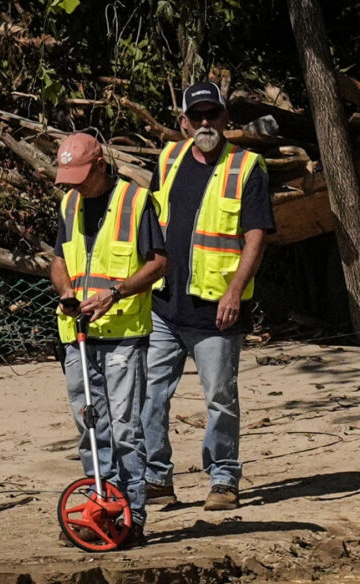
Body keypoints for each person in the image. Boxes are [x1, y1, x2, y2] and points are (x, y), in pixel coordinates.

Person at [143, 84, 277, 512]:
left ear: (225, 118)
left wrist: (235, 291)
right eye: (196, 116)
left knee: (219, 397)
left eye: (212, 115)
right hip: (165, 306)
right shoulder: (168, 159)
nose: (205, 124)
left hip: (217, 310)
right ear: (183, 121)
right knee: (150, 394)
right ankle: (156, 478)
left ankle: (223, 479)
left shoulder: (247, 167)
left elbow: (256, 236)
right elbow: (151, 223)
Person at [46, 130, 166, 548]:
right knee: (89, 428)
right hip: (77, 334)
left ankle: (130, 517)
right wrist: (65, 293)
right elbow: (59, 261)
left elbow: (159, 263)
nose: (74, 186)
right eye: (69, 179)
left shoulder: (135, 201)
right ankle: (100, 506)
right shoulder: (68, 203)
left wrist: (116, 293)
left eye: (80, 176)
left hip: (123, 335)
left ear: (100, 165)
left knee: (125, 430)